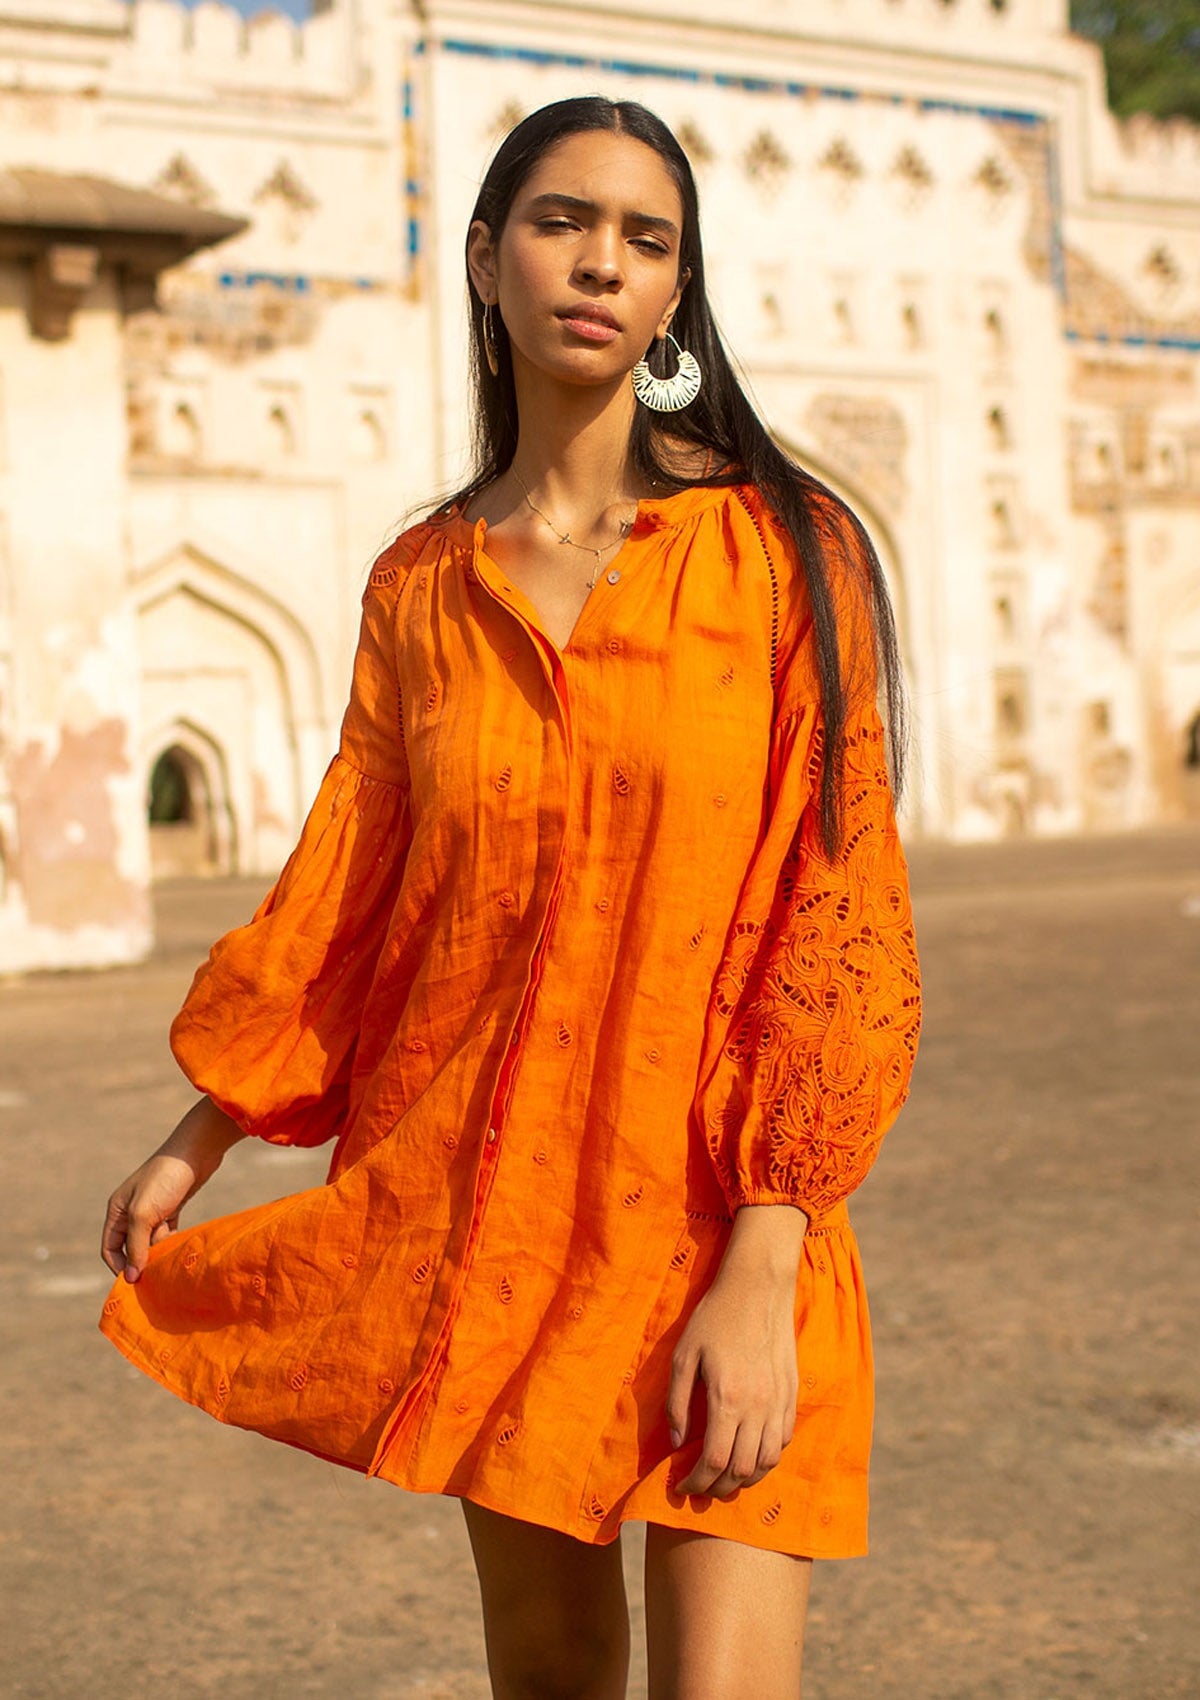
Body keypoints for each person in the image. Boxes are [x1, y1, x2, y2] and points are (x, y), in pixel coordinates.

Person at [99, 95, 922, 1700]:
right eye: (561, 223)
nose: (600, 265)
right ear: (485, 258)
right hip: (501, 1221)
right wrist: (201, 1129)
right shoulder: (422, 584)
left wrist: (765, 1257)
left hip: (722, 1222)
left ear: (676, 292)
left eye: (645, 239)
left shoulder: (784, 555)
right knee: (549, 1675)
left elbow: (840, 912)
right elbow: (356, 878)